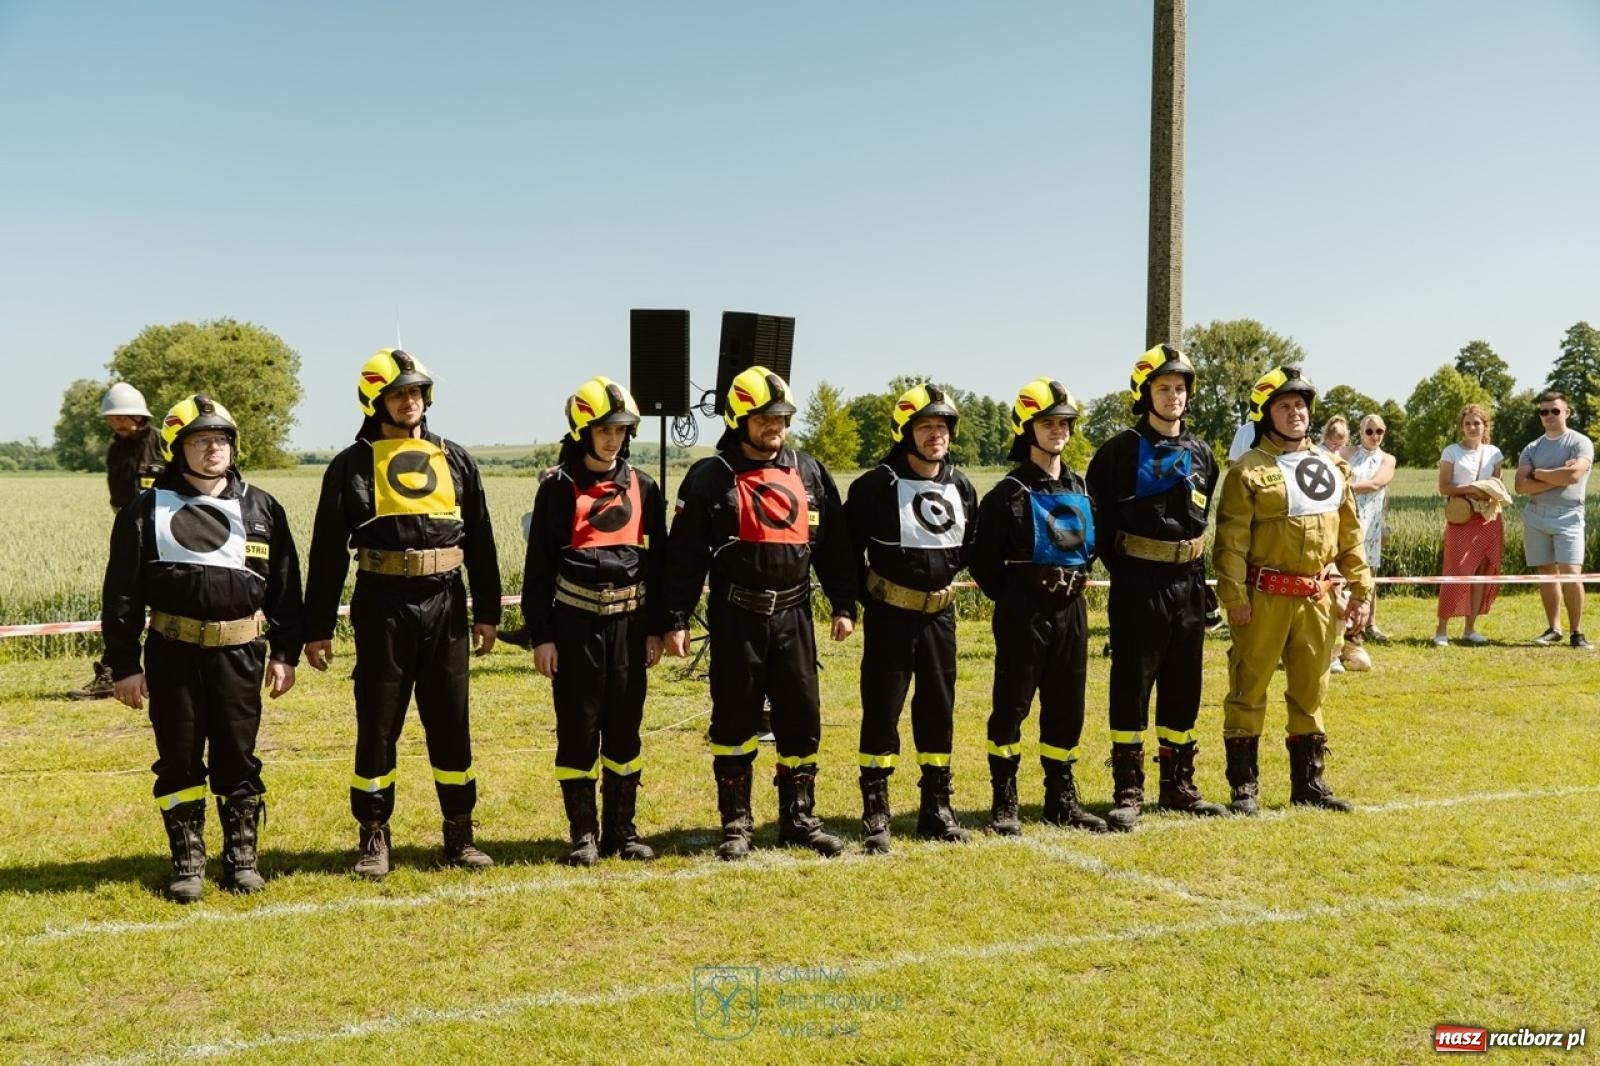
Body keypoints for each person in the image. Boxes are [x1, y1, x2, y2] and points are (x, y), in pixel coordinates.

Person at [303, 349, 502, 879]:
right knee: (378, 724)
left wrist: (487, 611)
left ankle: (459, 834)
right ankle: (373, 837)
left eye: (416, 391)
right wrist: (317, 626)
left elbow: (481, 539)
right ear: (375, 400)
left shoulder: (456, 458)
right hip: (382, 604)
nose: (410, 401)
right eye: (398, 393)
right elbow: (326, 550)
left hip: (447, 603)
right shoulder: (350, 466)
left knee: (451, 723)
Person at [101, 395, 302, 902]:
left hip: (240, 655)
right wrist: (124, 665)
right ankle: (188, 862)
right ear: (177, 448)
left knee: (238, 756)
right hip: (172, 654)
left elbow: (285, 587)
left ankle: (242, 859)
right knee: (179, 758)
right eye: (200, 440)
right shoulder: (145, 509)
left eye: (221, 439)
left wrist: (284, 653)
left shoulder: (261, 506)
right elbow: (121, 593)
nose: (214, 449)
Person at [662, 366, 858, 860]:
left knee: (801, 719)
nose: (776, 425)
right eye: (765, 417)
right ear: (739, 419)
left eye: (782, 417)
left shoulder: (809, 470)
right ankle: (737, 824)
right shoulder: (709, 477)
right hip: (736, 618)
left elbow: (835, 545)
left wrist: (842, 604)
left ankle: (799, 820)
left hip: (795, 616)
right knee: (734, 719)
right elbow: (682, 556)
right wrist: (676, 617)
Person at [522, 377, 668, 866]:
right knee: (579, 728)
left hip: (630, 626)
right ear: (583, 429)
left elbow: (660, 563)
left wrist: (657, 627)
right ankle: (583, 833)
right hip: (575, 625)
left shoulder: (645, 486)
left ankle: (622, 831)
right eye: (605, 429)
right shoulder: (558, 490)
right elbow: (539, 568)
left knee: (626, 728)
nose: (614, 438)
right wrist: (542, 635)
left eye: (622, 429)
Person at [1214, 366, 1372, 814]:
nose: (1296, 413)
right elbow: (1230, 543)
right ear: (1266, 415)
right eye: (1284, 406)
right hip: (1263, 597)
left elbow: (1350, 535)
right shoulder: (1247, 471)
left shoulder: (1332, 467)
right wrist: (1234, 599)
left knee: (1311, 690)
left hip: (1317, 599)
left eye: (1301, 405)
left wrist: (1361, 589)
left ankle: (1310, 784)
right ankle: (1244, 788)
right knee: (1249, 688)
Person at [1085, 345, 1225, 832]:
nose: (1174, 397)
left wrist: (1203, 585)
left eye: (1181, 388)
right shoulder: (1118, 451)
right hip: (1138, 583)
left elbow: (1201, 519)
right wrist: (1127, 570)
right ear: (1145, 394)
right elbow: (1096, 522)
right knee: (1132, 682)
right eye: (1164, 388)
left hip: (1188, 582)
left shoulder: (1203, 452)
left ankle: (1178, 784)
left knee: (1185, 683)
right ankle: (1128, 788)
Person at [844, 383, 978, 853]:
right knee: (883, 707)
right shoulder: (874, 486)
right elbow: (844, 549)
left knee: (938, 709)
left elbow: (970, 549)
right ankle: (876, 812)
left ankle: (936, 808)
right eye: (925, 427)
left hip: (940, 618)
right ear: (906, 432)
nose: (935, 435)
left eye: (942, 427)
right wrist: (850, 604)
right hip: (890, 617)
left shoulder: (960, 484)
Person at [971, 378, 1106, 835]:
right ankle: (1004, 801)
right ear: (1027, 427)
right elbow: (985, 564)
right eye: (1049, 423)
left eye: (1065, 422)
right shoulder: (1005, 493)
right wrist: (1019, 598)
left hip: (1072, 609)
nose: (1059, 430)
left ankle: (1060, 798)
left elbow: (1092, 547)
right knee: (1012, 704)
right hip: (1023, 611)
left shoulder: (1082, 486)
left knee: (1068, 706)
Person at [70, 382, 169, 701]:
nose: (116, 424)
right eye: (111, 419)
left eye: (121, 418)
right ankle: (112, 673)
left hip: (166, 534)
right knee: (121, 604)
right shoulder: (115, 450)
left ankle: (169, 674)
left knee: (170, 600)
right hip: (128, 534)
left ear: (138, 416)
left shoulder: (163, 444)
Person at [1514, 391, 1594, 650]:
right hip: (1536, 516)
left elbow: (1573, 476)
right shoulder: (1531, 447)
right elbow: (1520, 486)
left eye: (1555, 411)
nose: (1548, 416)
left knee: (1572, 575)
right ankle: (1554, 628)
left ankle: (1577, 632)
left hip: (1569, 516)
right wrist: (1553, 475)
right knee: (1547, 573)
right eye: (1544, 411)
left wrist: (1538, 475)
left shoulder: (1580, 443)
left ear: (1567, 413)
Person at [1434, 403, 1506, 645]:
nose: (1472, 427)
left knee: (1481, 573)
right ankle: (1441, 630)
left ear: (1485, 426)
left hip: (1488, 518)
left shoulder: (1494, 453)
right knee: (1455, 571)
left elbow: (1497, 486)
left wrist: (1487, 492)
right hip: (1461, 518)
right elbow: (1444, 487)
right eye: (1468, 424)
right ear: (1461, 427)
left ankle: (1470, 629)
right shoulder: (1451, 452)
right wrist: (1471, 489)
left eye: (1477, 423)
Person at [1347, 414, 1397, 642]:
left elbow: (1377, 483)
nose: (1375, 436)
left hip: (1372, 520)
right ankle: (1347, 623)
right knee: (1346, 569)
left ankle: (1371, 623)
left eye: (1379, 431)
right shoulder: (1346, 453)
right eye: (1370, 431)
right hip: (1347, 516)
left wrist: (1346, 488)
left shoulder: (1388, 459)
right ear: (1361, 432)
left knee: (1369, 571)